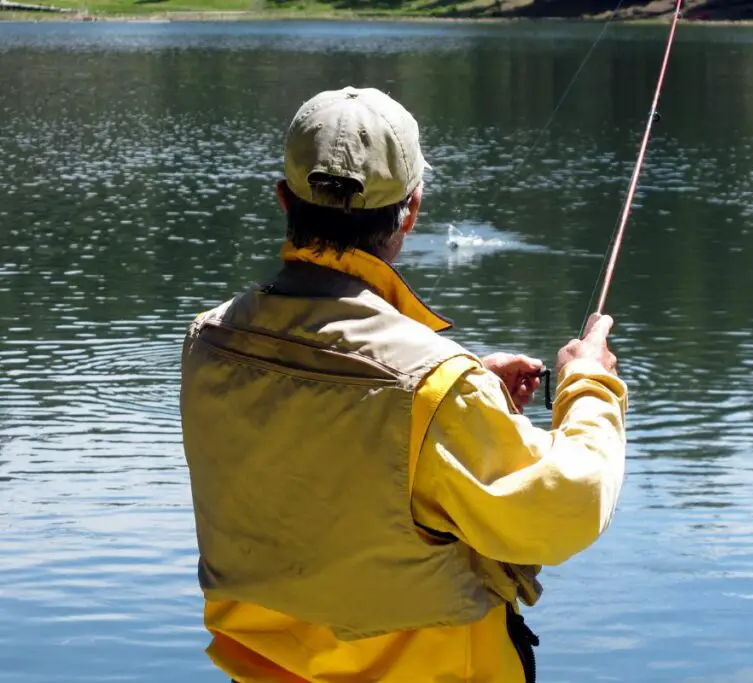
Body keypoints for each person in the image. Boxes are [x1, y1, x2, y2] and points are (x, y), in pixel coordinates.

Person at [178, 86, 628, 683]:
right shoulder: (434, 388)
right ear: (411, 210)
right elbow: (567, 504)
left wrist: (462, 390)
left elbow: (318, 442)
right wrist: (589, 383)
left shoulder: (207, 344)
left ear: (284, 199)